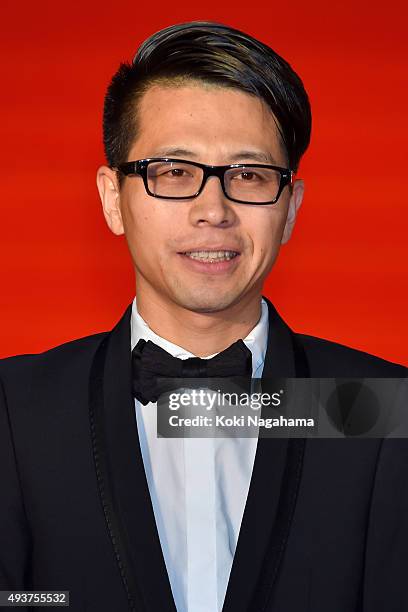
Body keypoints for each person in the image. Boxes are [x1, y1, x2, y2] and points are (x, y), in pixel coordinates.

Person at [0, 21, 406, 612]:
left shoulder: (373, 406)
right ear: (113, 198)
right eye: (175, 173)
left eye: (249, 175)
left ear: (290, 209)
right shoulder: (15, 408)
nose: (212, 210)